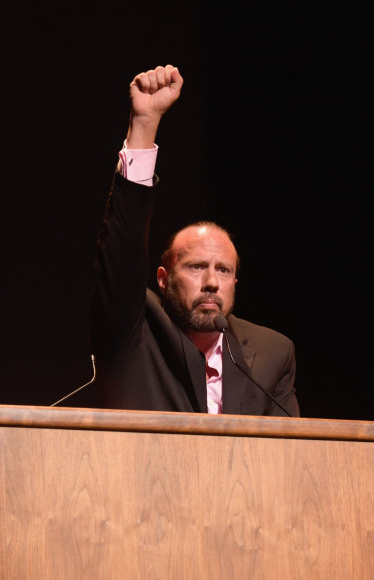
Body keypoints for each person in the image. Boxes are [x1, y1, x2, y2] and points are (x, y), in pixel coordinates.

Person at [89, 64, 300, 417]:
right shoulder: (134, 331)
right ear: (163, 278)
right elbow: (121, 252)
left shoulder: (272, 352)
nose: (211, 283)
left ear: (235, 281)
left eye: (224, 270)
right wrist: (144, 125)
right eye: (197, 266)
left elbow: (292, 454)